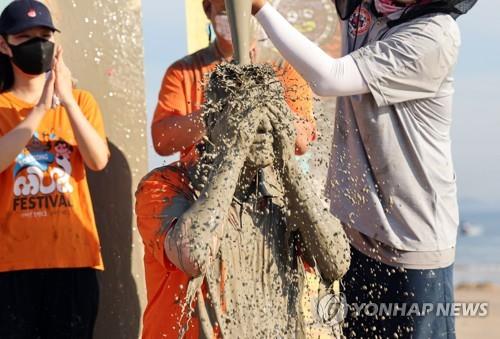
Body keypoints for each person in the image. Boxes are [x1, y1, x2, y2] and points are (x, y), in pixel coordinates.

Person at [249, 0, 477, 338]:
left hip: (412, 243)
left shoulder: (434, 35)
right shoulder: (366, 8)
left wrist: (260, 9)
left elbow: (330, 78)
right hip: (358, 237)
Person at [136, 63, 350, 338]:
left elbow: (335, 263)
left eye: (271, 114)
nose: (260, 127)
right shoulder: (164, 185)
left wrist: (287, 164)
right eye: (246, 115)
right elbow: (194, 255)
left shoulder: (283, 192)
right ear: (212, 122)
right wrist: (233, 152)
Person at [0, 1, 109, 338]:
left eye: (44, 35)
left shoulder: (82, 102)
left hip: (73, 262)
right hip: (12, 265)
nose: (37, 43)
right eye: (25, 36)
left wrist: (67, 100)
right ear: (4, 44)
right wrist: (40, 110)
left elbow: (97, 159)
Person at [151, 0, 316, 163]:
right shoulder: (183, 71)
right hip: (199, 181)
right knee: (154, 186)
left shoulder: (285, 68)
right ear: (208, 9)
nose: (237, 15)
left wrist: (267, 107)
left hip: (269, 176)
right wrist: (213, 114)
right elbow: (162, 142)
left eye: (249, 8)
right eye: (225, 9)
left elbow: (301, 143)